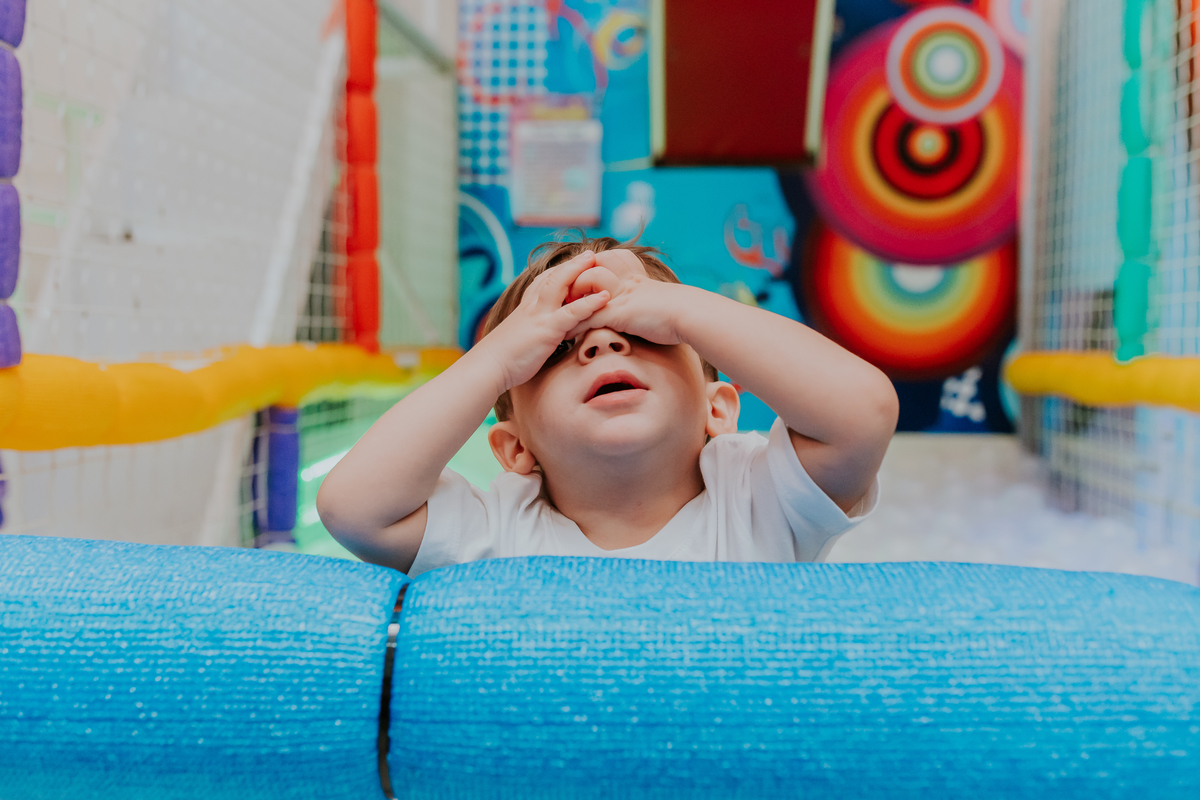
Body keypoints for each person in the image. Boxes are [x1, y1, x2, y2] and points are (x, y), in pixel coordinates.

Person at [317, 235, 898, 576]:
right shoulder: (495, 533)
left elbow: (863, 413)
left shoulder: (758, 501)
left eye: (649, 335)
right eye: (558, 350)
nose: (602, 342)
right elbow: (354, 509)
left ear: (717, 410)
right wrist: (497, 356)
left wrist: (676, 307)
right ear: (515, 446)